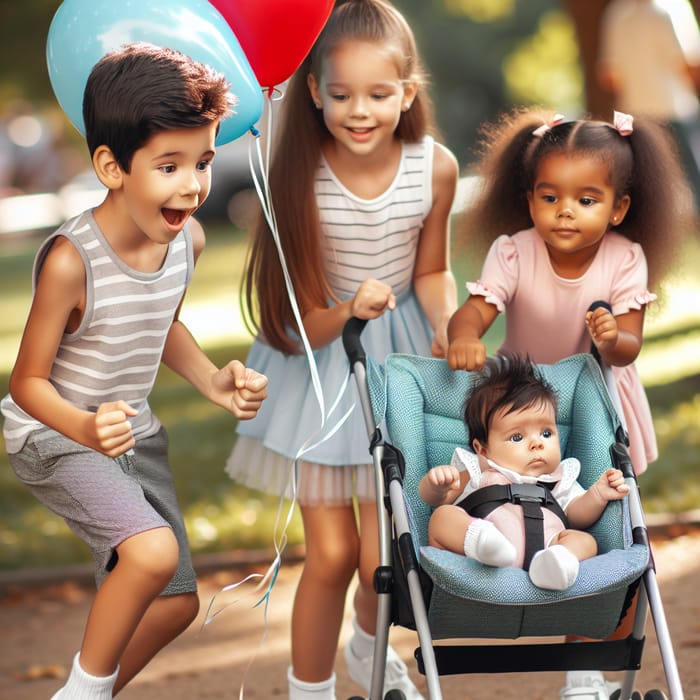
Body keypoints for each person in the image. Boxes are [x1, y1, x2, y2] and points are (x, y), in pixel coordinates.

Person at [0, 43, 268, 699]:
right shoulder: (71, 260)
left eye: (202, 162)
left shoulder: (187, 241)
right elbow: (25, 382)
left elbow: (161, 324)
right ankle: (82, 692)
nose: (193, 185)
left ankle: (90, 692)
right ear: (111, 167)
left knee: (174, 603)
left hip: (133, 435)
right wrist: (85, 429)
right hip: (55, 435)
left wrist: (211, 381)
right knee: (150, 554)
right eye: (169, 165)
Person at [224, 1, 459, 697]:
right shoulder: (297, 171)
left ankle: (368, 645)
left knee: (381, 555)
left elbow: (432, 271)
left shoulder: (433, 168)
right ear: (315, 91)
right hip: (321, 368)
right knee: (329, 554)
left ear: (407, 93)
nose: (361, 111)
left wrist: (449, 324)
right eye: (343, 94)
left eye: (380, 94)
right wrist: (348, 308)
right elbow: (292, 323)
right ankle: (309, 689)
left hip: (403, 366)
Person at [448, 107, 693, 699]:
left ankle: (584, 676)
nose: (565, 211)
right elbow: (476, 311)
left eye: (587, 199)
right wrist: (463, 334)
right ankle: (513, 570)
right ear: (529, 198)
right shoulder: (514, 252)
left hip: (599, 405)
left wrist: (614, 339)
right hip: (525, 411)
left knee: (611, 528)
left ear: (619, 208)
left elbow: (628, 345)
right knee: (535, 512)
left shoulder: (623, 257)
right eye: (550, 196)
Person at [418, 354, 630, 591]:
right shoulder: (478, 469)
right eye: (517, 437)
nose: (537, 444)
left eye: (546, 433)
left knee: (585, 541)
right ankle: (482, 542)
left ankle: (557, 563)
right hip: (482, 549)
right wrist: (436, 486)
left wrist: (598, 495)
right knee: (442, 517)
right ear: (483, 449)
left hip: (546, 548)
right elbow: (435, 500)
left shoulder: (559, 478)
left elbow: (576, 514)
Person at [597, 0, 700, 211]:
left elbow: (609, 76)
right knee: (695, 179)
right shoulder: (672, 6)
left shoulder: (615, 13)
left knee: (650, 191)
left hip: (636, 114)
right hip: (676, 109)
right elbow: (690, 63)